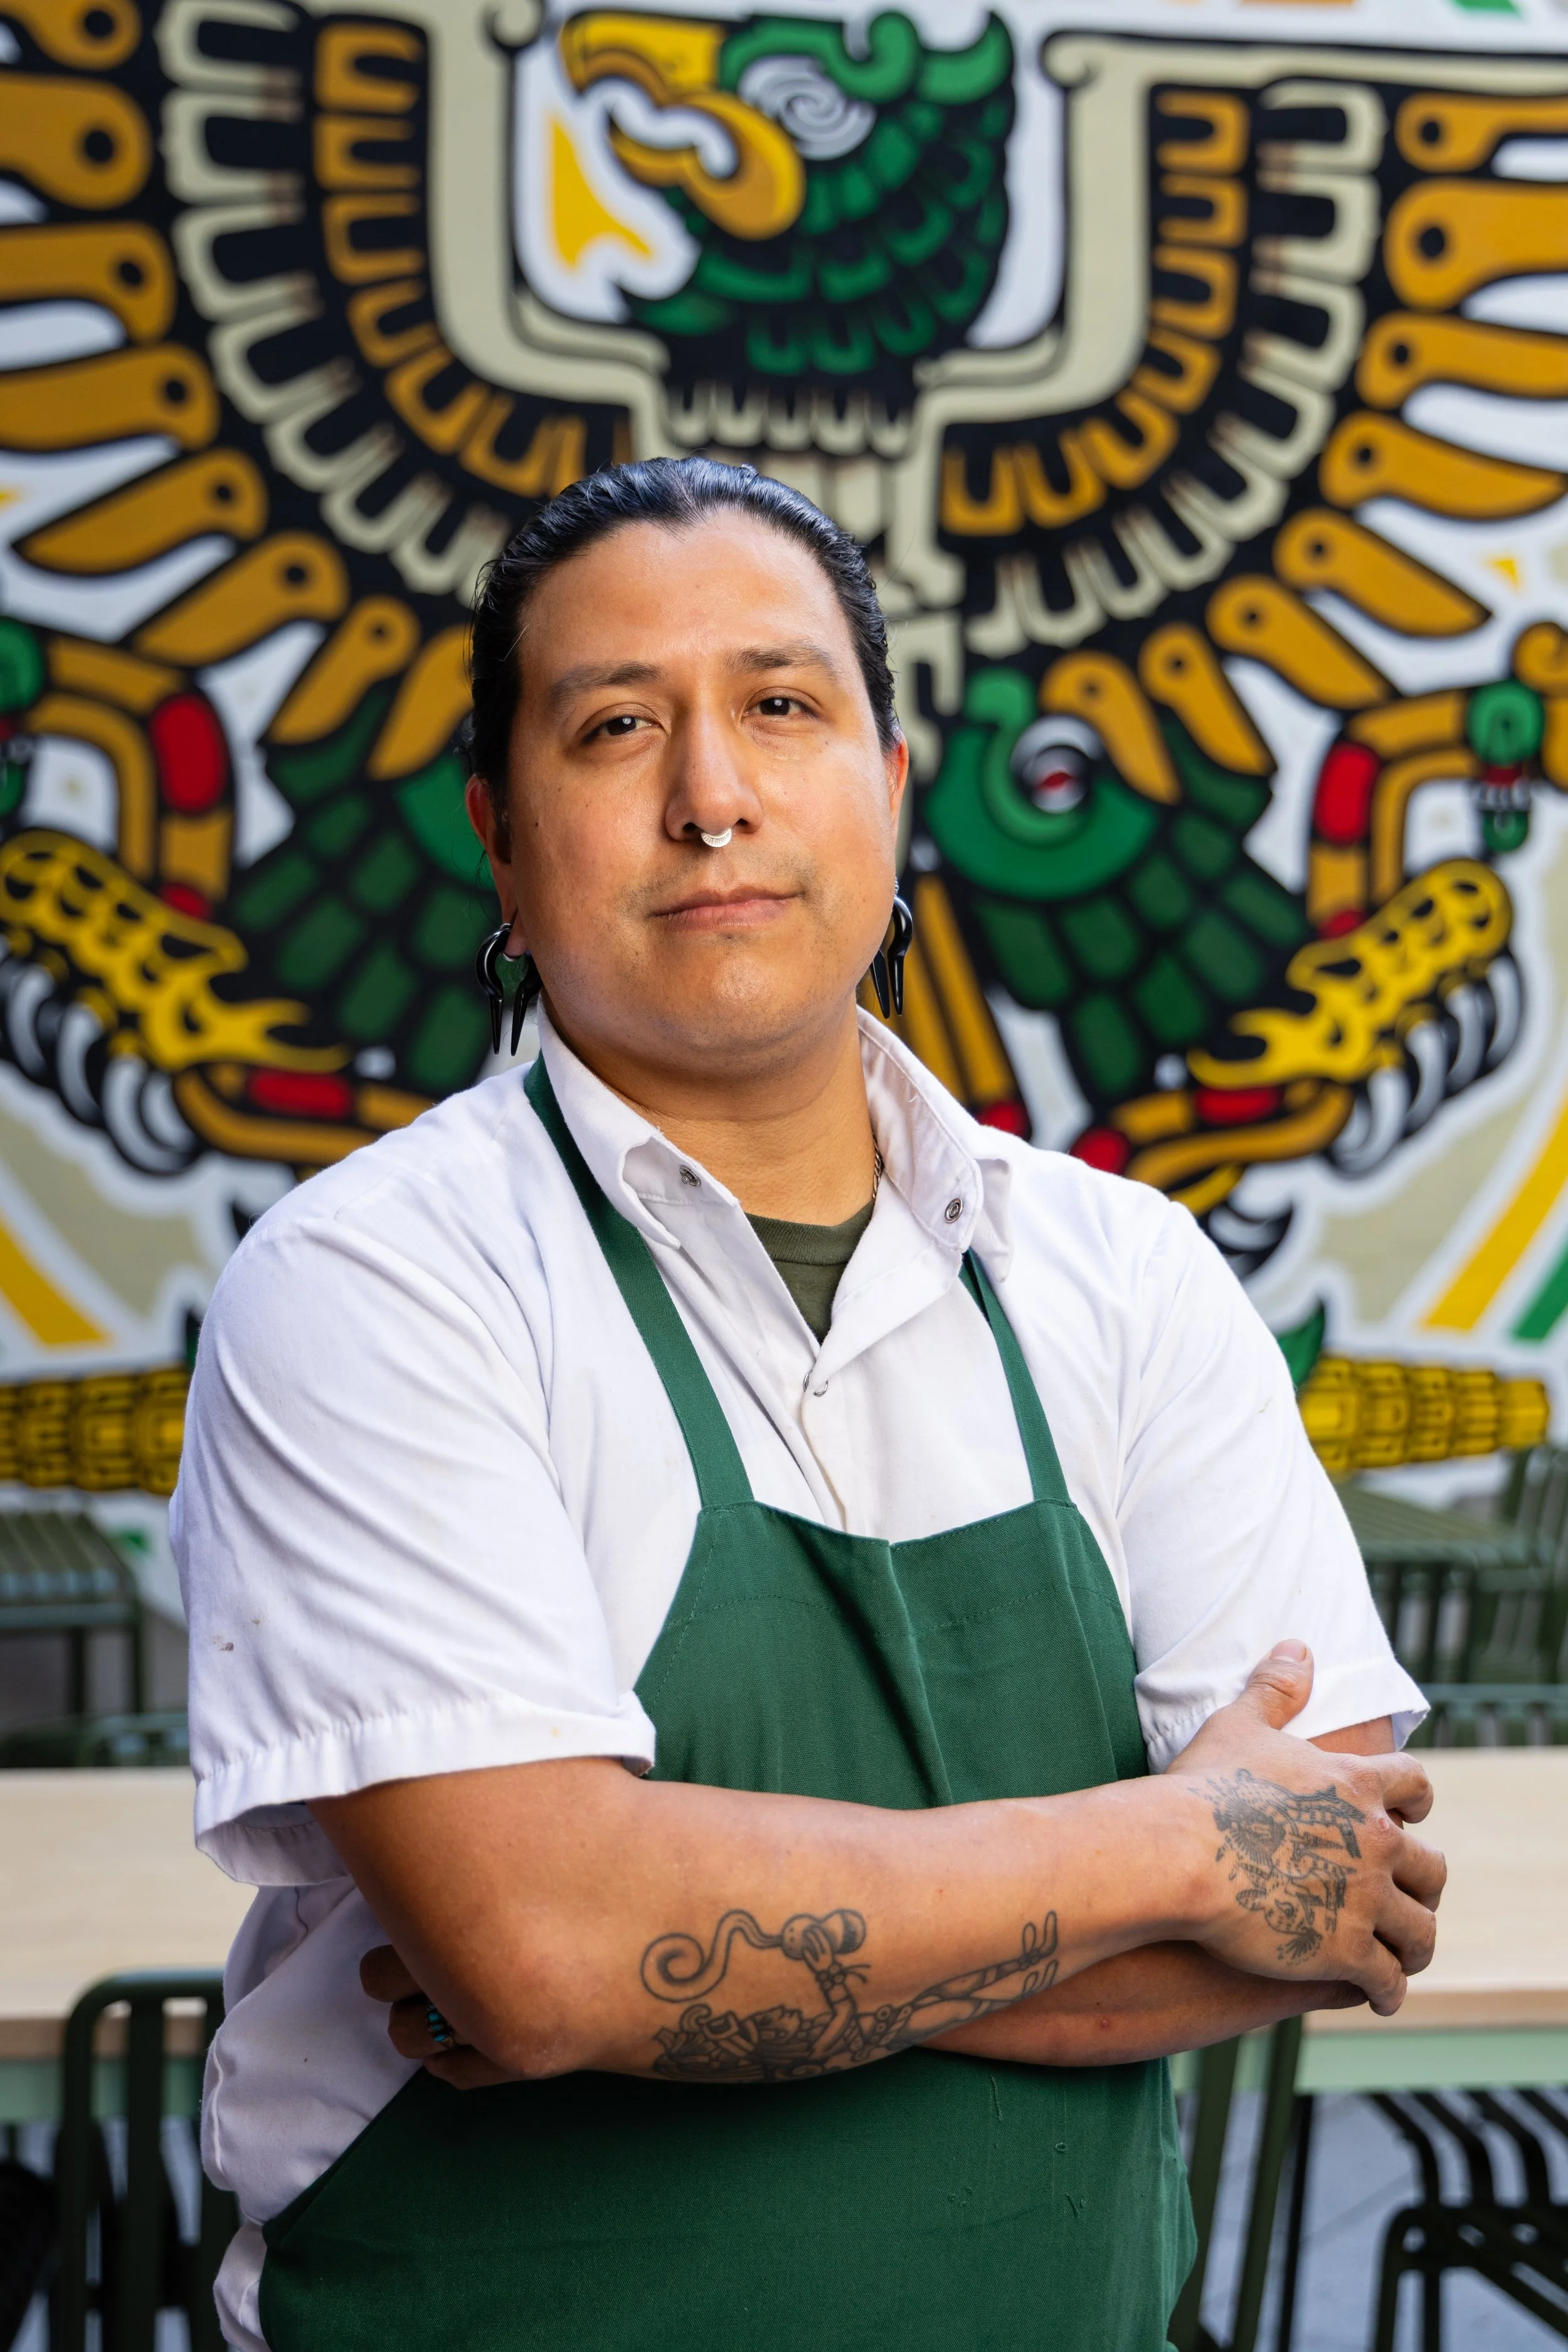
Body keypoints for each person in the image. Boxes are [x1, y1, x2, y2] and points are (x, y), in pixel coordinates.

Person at [174, 458, 1441, 2352]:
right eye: (616, 726)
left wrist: (646, 1971)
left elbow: (1346, 1891)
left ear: (890, 785)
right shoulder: (373, 1282)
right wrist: (1180, 1849)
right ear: (502, 844)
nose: (712, 792)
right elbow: (538, 1955)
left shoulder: (1125, 1272)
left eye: (781, 703)